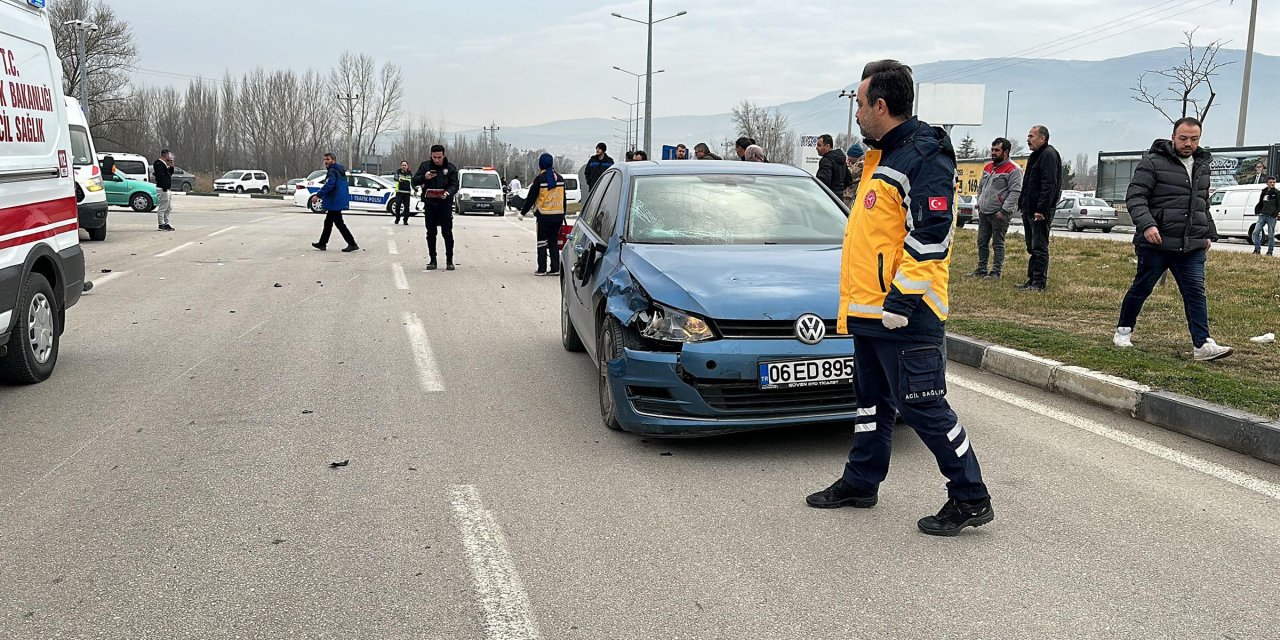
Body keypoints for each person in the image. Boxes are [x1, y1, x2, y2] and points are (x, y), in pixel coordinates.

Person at [807, 59, 993, 537]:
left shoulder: (921, 158)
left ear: (880, 106)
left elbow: (932, 236)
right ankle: (861, 482)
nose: (856, 113)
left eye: (859, 103)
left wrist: (901, 303)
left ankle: (970, 497)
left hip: (906, 314)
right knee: (871, 401)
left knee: (923, 405)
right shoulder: (882, 156)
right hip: (872, 313)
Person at [1114, 117, 1233, 361]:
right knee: (1142, 287)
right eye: (1183, 138)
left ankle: (1202, 344)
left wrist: (1208, 232)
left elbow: (1202, 203)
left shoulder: (1202, 164)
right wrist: (1147, 225)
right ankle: (1123, 331)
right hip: (1157, 242)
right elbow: (1135, 197)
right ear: (1173, 137)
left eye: (1194, 138)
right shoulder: (1153, 162)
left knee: (1195, 292)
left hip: (1191, 245)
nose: (1188, 143)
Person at [1016, 124, 1062, 291]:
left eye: (1031, 136)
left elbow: (1049, 184)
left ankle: (1039, 282)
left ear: (1042, 138)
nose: (1028, 140)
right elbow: (1028, 182)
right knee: (1031, 246)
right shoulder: (1035, 156)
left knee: (1039, 247)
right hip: (1029, 209)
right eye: (1028, 137)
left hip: (1039, 211)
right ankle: (1031, 279)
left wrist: (1041, 209)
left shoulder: (1049, 155)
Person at [970, 138, 1024, 279]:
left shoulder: (1014, 170)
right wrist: (980, 200)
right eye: (992, 149)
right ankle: (981, 269)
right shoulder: (988, 167)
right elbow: (981, 186)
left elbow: (1015, 192)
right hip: (984, 211)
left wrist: (1004, 210)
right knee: (982, 241)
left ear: (1006, 152)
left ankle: (996, 272)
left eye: (997, 150)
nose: (993, 152)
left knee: (997, 243)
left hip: (999, 213)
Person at [519, 153, 567, 276]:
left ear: (541, 164)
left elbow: (531, 198)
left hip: (544, 216)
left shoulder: (539, 179)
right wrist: (563, 214)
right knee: (553, 242)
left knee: (542, 242)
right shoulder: (560, 179)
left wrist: (523, 213)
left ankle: (542, 269)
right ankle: (555, 269)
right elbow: (563, 199)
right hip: (557, 216)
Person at [413, 144, 460, 271]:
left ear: (444, 155)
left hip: (445, 204)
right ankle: (432, 260)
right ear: (431, 156)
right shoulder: (425, 166)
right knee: (431, 232)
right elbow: (414, 180)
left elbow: (455, 185)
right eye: (434, 157)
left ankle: (449, 260)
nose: (437, 160)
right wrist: (424, 177)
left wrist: (448, 193)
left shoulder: (450, 168)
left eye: (439, 157)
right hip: (430, 204)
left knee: (447, 232)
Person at [311, 153, 359, 253]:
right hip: (337, 199)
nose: (325, 161)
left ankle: (352, 244)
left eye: (328, 159)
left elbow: (330, 185)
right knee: (328, 222)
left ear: (333, 160)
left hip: (334, 200)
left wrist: (318, 195)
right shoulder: (340, 170)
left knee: (339, 224)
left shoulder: (332, 171)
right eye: (324, 159)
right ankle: (322, 243)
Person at [1253, 176, 1278, 256]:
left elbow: (1279, 205)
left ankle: (1270, 251)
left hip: (1271, 216)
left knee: (1271, 234)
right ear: (1267, 183)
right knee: (1256, 232)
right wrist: (1257, 209)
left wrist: (1275, 214)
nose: (1272, 184)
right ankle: (1257, 250)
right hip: (1262, 215)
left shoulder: (1277, 193)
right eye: (1270, 182)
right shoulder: (1264, 192)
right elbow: (1261, 202)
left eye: (1274, 182)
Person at [153, 149, 176, 232]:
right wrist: (164, 187)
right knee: (163, 207)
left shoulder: (164, 164)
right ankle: (161, 224)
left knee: (169, 207)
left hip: (167, 188)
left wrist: (171, 167)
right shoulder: (159, 164)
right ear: (166, 155)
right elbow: (160, 177)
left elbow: (168, 174)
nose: (170, 157)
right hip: (162, 188)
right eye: (169, 155)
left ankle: (166, 223)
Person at [393, 160, 414, 225]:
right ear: (401, 166)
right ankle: (397, 218)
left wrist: (415, 188)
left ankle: (405, 220)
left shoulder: (410, 173)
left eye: (405, 165)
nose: (404, 166)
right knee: (398, 206)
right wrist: (398, 179)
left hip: (407, 192)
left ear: (407, 166)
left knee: (407, 207)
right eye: (403, 165)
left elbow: (413, 182)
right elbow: (395, 177)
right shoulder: (398, 172)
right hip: (399, 192)